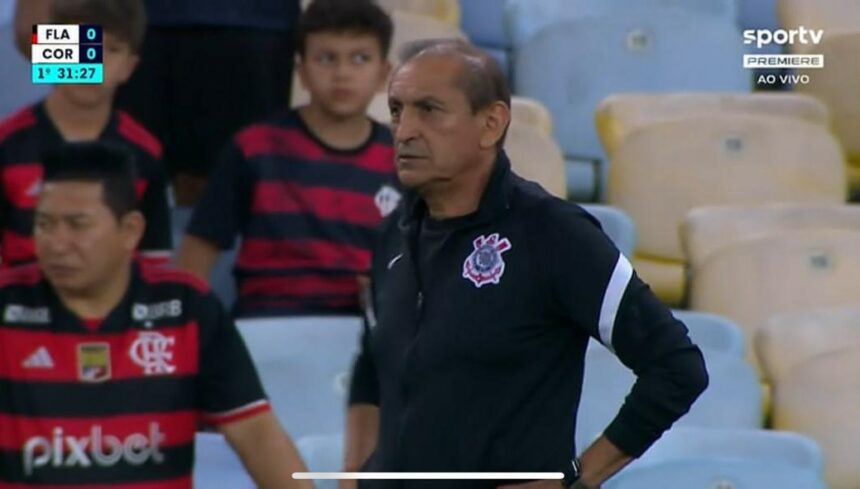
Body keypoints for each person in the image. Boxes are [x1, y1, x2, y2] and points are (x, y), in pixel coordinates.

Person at [344, 39, 710, 489]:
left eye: (429, 110)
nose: (404, 131)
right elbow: (371, 368)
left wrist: (578, 477)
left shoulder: (555, 234)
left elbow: (677, 367)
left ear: (491, 123)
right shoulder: (392, 237)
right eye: (397, 110)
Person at [0, 142, 311, 488]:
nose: (57, 243)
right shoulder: (6, 306)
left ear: (130, 230)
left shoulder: (187, 308)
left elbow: (255, 434)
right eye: (44, 224)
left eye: (77, 225)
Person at [177, 0, 399, 318]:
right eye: (326, 59)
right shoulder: (252, 149)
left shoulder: (402, 158)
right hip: (264, 327)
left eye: (359, 59)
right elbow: (196, 252)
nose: (342, 73)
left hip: (363, 332)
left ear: (383, 74)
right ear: (302, 72)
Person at [0, 0, 171, 268]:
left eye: (110, 50)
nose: (91, 64)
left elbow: (153, 261)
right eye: (78, 45)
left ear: (129, 67)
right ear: (49, 50)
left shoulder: (145, 152)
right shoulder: (7, 144)